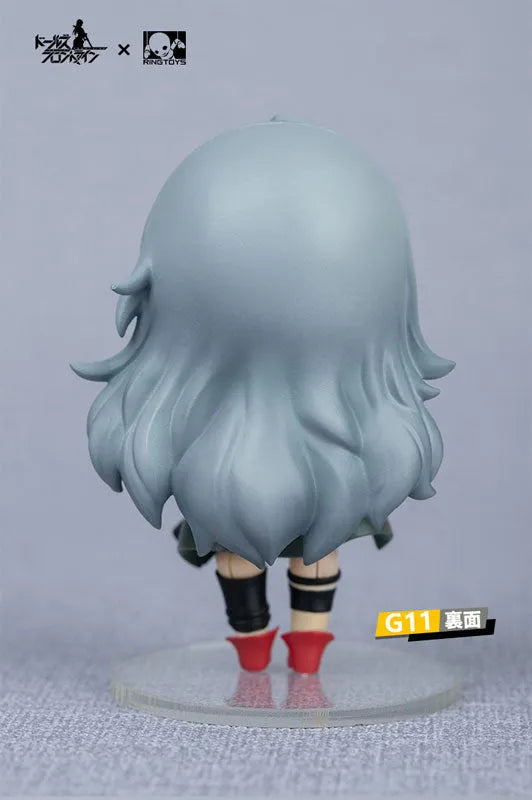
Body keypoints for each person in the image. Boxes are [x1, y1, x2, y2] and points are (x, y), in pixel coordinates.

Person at [72, 117, 454, 673]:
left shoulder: (343, 453)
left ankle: (293, 651)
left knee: (300, 551)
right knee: (264, 550)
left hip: (304, 463)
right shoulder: (227, 453)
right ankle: (264, 650)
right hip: (257, 464)